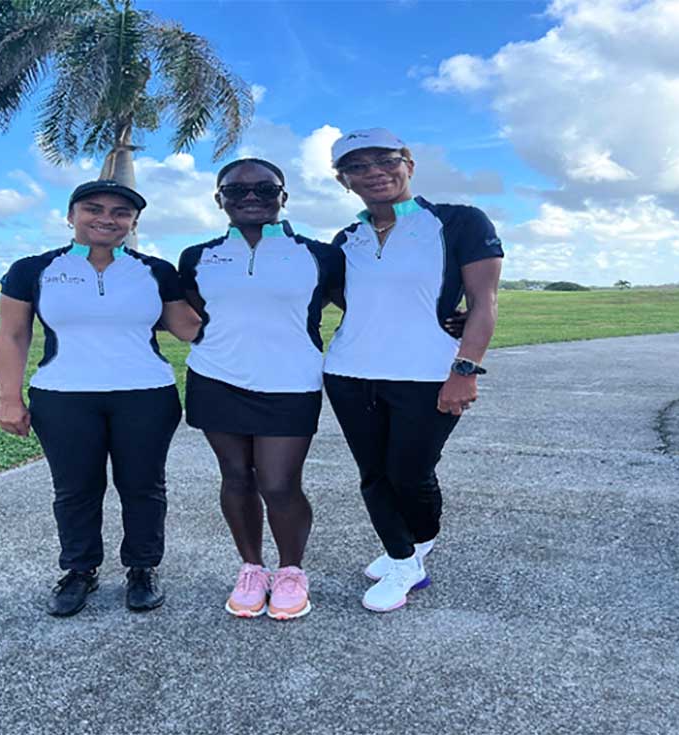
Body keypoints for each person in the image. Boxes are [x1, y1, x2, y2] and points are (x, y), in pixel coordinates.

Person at [0, 179, 201, 617]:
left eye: (120, 212)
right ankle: (79, 571)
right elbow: (14, 335)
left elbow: (189, 328)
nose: (107, 218)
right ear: (70, 216)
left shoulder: (155, 270)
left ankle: (143, 568)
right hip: (63, 397)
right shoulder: (32, 270)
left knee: (144, 486)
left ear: (133, 222)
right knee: (75, 490)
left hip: (145, 395)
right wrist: (8, 398)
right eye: (93, 208)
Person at [324, 128, 503, 613]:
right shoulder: (347, 239)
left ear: (409, 164)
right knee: (374, 474)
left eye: (386, 160)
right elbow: (349, 299)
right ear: (344, 181)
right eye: (357, 167)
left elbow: (483, 303)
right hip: (349, 372)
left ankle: (420, 539)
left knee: (410, 471)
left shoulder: (459, 222)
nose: (374, 173)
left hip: (429, 373)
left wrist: (465, 368)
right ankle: (404, 558)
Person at [178, 159, 344, 620]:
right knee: (235, 477)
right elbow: (193, 314)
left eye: (264, 189)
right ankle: (251, 568)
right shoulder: (197, 256)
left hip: (291, 383)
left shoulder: (319, 255)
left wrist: (452, 319)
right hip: (215, 379)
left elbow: (366, 304)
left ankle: (291, 571)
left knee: (278, 482)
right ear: (220, 199)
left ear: (283, 197)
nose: (250, 197)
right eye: (236, 191)